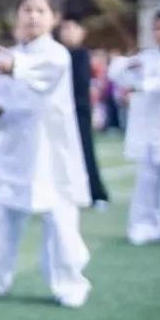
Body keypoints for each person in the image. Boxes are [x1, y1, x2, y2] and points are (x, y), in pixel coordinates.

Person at [0, 0, 92, 308]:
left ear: (54, 18)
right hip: (15, 150)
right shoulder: (9, 55)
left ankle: (70, 283)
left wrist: (14, 66)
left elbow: (42, 77)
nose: (32, 16)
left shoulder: (56, 55)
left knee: (60, 221)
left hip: (51, 152)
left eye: (40, 10)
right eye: (26, 9)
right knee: (1, 218)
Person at [107, 9, 160, 246]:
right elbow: (117, 74)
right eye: (155, 28)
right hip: (147, 130)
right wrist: (126, 65)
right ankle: (145, 226)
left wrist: (143, 85)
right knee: (146, 181)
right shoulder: (146, 57)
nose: (159, 34)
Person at [58, 16, 110, 209]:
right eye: (64, 28)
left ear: (82, 32)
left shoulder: (81, 54)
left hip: (79, 112)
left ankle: (97, 194)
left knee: (85, 152)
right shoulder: (58, 53)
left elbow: (80, 86)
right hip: (60, 113)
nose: (67, 32)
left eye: (72, 28)